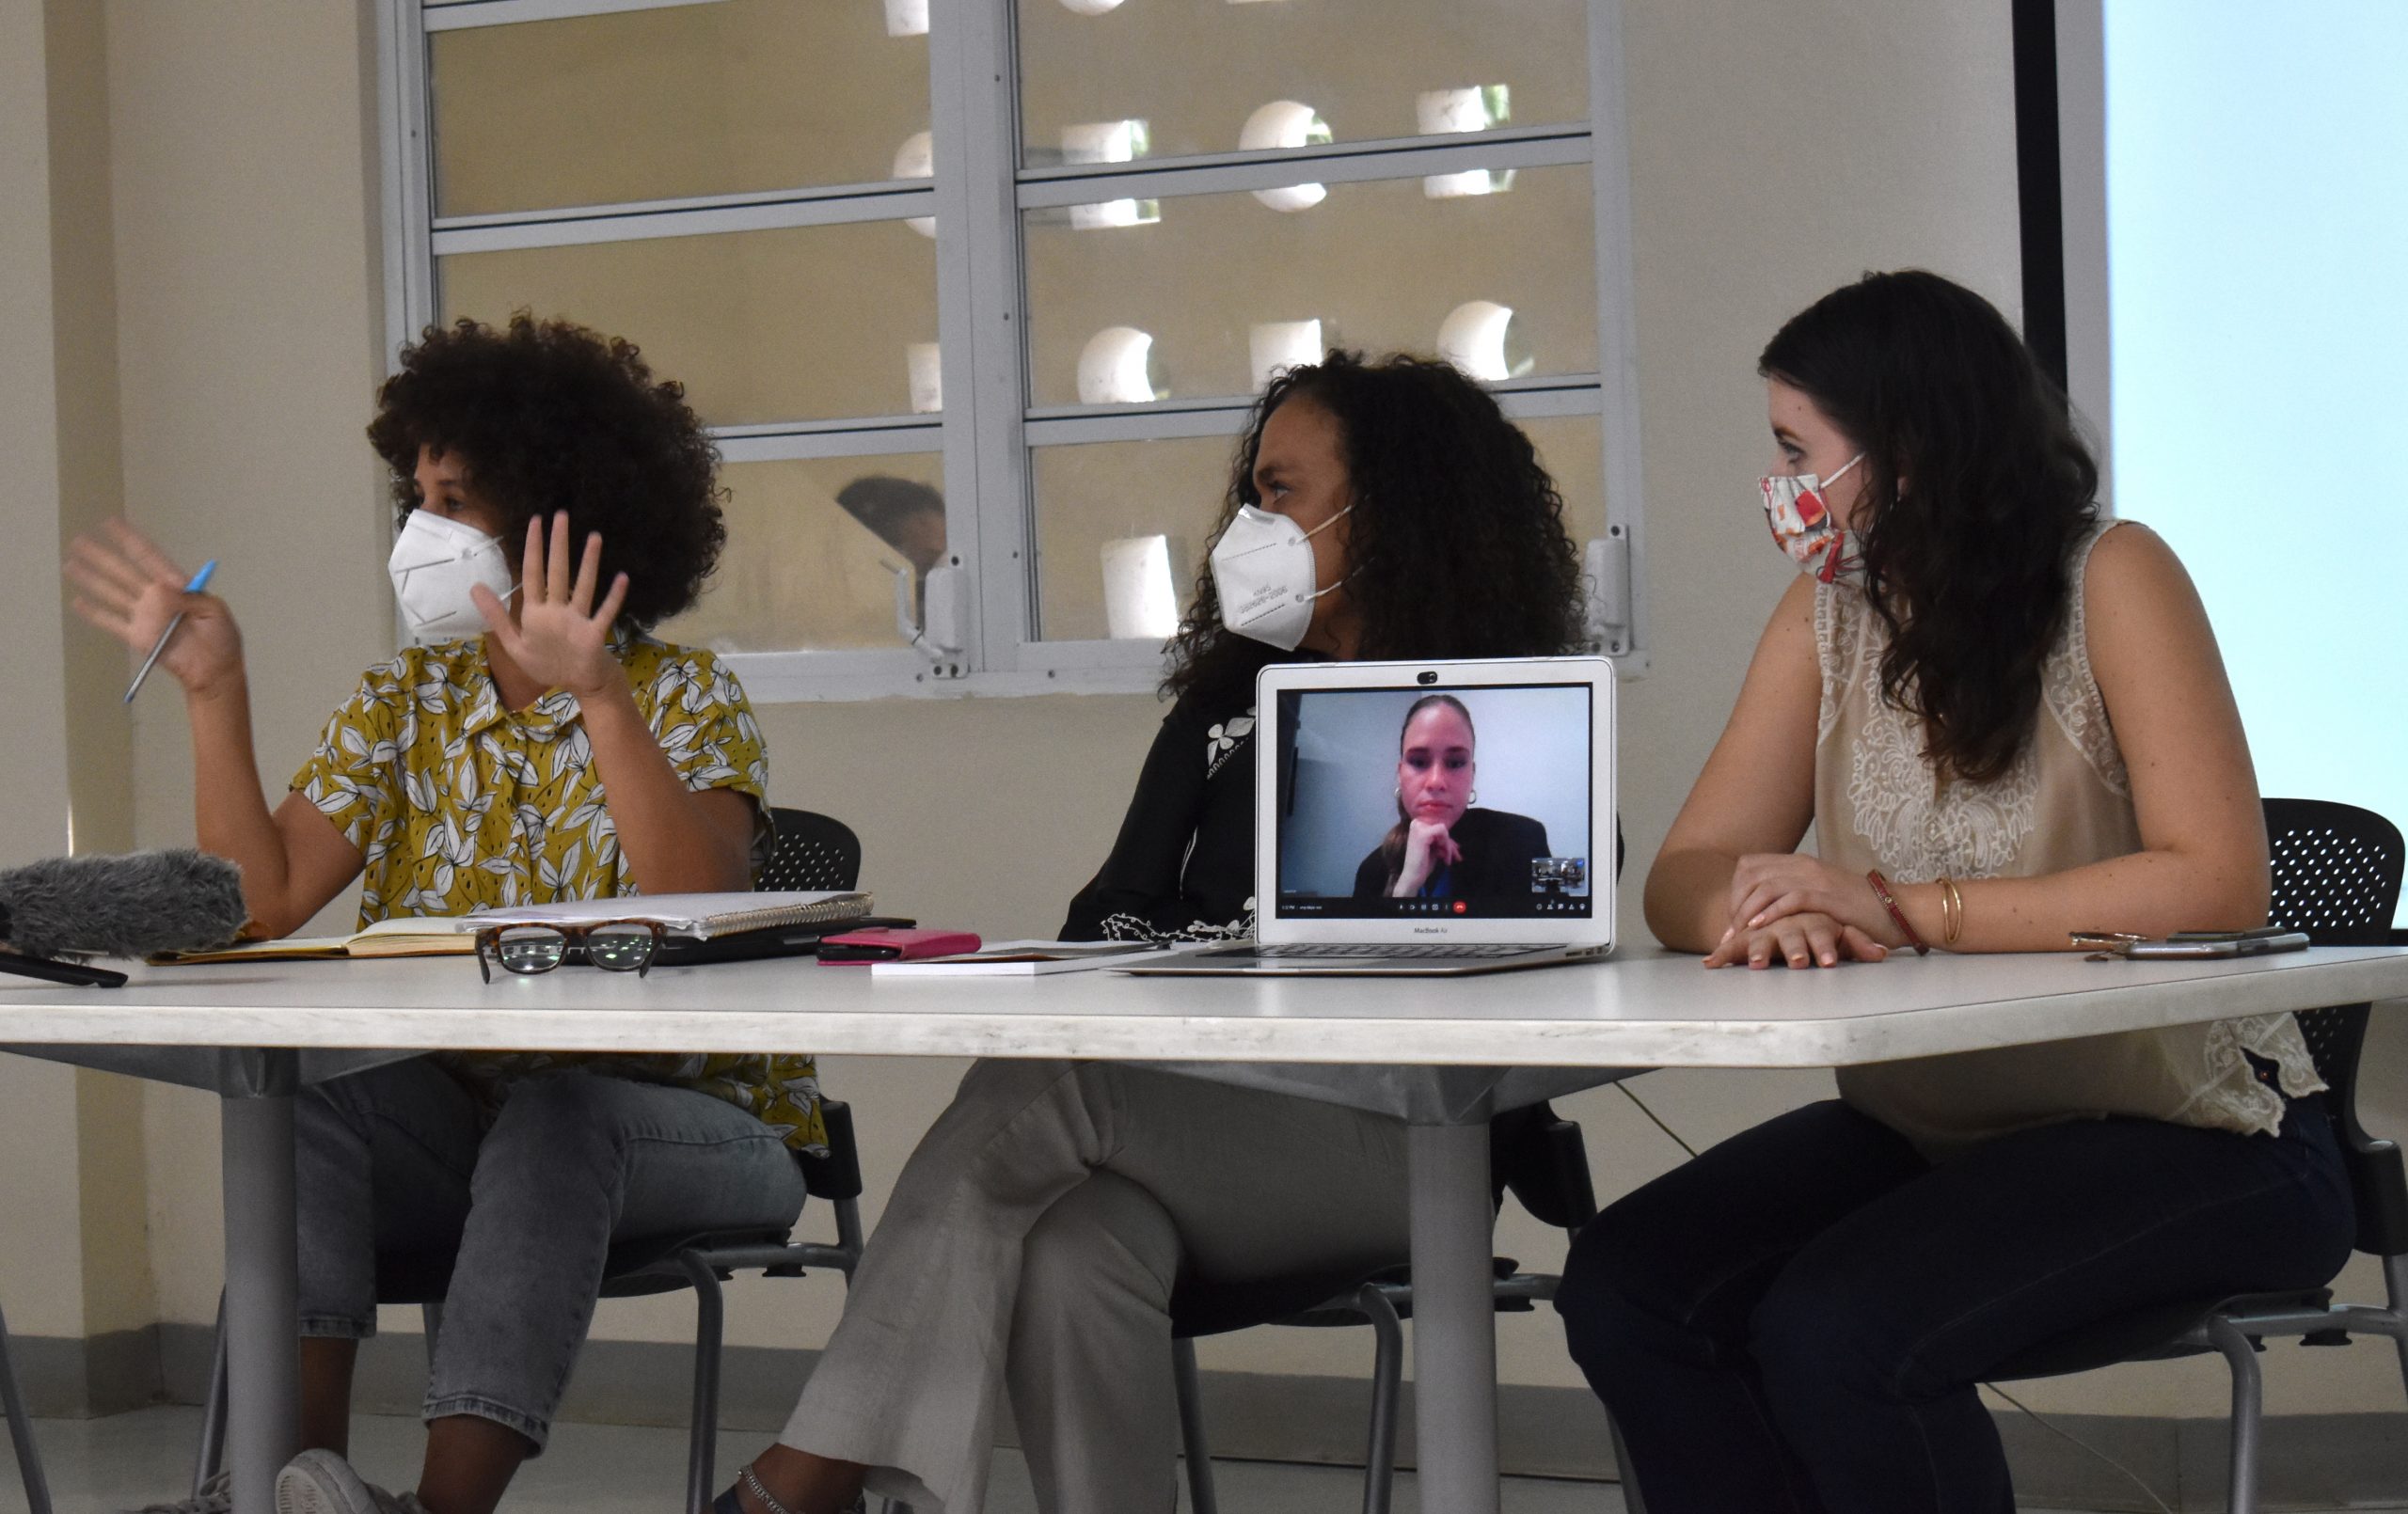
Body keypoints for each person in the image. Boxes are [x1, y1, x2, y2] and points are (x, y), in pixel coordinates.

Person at [715, 351, 1591, 1514]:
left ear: (1387, 506)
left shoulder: (1515, 713)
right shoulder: (1227, 703)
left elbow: (1543, 945)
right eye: (1254, 491)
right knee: (1073, 1246)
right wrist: (1175, 958)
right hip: (1198, 1122)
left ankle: (799, 1483)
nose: (1252, 521)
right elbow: (1108, 918)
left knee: (1055, 1077)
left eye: (1280, 491)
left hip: (1405, 1136)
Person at [1550, 270, 2353, 1513]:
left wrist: (1904, 908)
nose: (1782, 488)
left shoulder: (2115, 575)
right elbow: (1685, 875)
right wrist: (1770, 911)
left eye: (1795, 449)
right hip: (1938, 1128)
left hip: (2203, 1133)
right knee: (1627, 1282)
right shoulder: (1828, 615)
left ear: (1910, 453)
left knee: (1838, 1329)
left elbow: (2217, 877)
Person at [64, 315, 820, 1514]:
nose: (421, 529)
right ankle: (284, 1486)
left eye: (455, 498)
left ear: (555, 514)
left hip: (695, 1126)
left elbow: (696, 907)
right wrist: (216, 690)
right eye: (415, 495)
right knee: (297, 1079)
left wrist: (599, 696)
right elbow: (258, 906)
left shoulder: (681, 691)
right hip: (466, 1128)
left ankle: (438, 1510)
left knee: (563, 1110)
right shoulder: (403, 700)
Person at [1351, 692, 1551, 899]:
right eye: (1419, 762)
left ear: (1472, 775)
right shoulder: (1370, 872)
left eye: (1455, 763)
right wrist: (1405, 889)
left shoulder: (1529, 837)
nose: (1436, 781)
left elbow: (1564, 922)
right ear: (1400, 774)